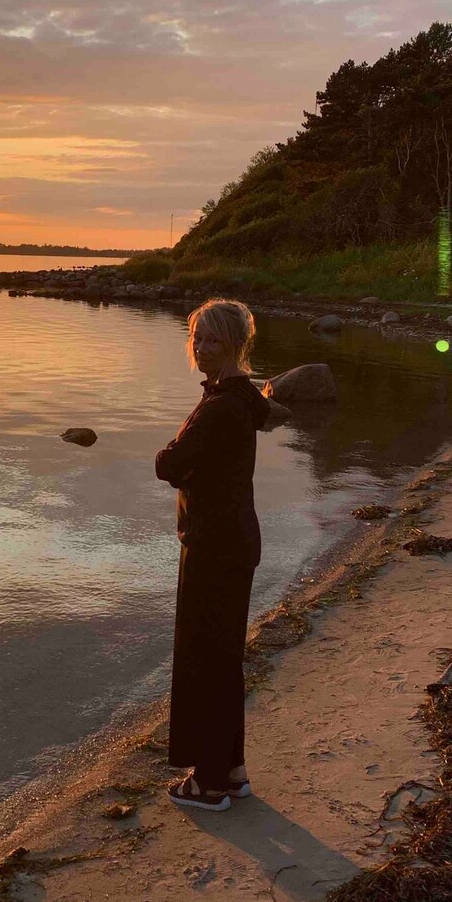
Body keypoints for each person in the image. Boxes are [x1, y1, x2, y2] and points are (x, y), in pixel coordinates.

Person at [155, 298, 270, 811]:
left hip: (213, 545)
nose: (201, 348)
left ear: (235, 346)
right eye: (196, 338)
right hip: (237, 538)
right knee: (224, 658)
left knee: (205, 657)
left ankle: (208, 781)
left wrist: (172, 458)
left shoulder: (221, 405)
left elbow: (170, 463)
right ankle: (232, 769)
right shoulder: (241, 397)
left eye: (212, 341)